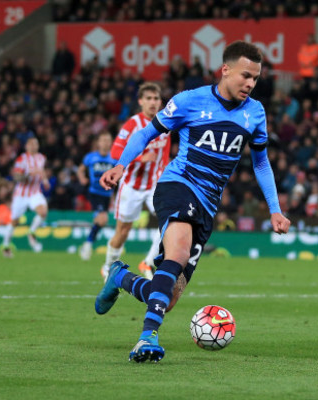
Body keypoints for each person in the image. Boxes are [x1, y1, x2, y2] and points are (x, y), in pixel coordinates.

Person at [97, 41, 291, 363]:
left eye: (255, 79)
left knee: (168, 297)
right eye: (245, 75)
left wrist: (275, 209)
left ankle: (120, 277)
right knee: (178, 252)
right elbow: (147, 133)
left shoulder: (255, 112)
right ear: (225, 70)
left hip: (208, 205)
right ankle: (147, 337)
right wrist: (120, 165)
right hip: (178, 185)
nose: (250, 84)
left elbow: (260, 163)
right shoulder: (190, 101)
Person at [100, 82, 171, 281]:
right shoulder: (132, 124)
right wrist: (140, 158)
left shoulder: (166, 122)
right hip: (131, 186)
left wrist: (164, 170)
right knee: (123, 231)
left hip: (154, 185)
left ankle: (147, 262)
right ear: (140, 102)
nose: (153, 102)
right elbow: (115, 152)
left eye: (156, 98)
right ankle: (107, 266)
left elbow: (165, 150)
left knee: (170, 222)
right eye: (148, 98)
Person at [1, 137, 50, 257]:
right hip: (21, 194)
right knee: (14, 221)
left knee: (43, 212)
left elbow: (41, 171)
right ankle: (6, 245)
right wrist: (27, 174)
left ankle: (31, 231)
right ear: (26, 146)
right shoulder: (22, 159)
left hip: (35, 192)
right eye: (31, 144)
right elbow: (17, 177)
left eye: (36, 144)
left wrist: (45, 180)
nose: (34, 146)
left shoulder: (42, 158)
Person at [77, 131, 117, 260]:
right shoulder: (90, 157)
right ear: (98, 143)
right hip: (94, 193)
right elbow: (80, 169)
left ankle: (87, 243)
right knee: (103, 219)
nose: (105, 143)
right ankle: (88, 245)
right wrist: (82, 178)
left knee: (100, 221)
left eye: (108, 140)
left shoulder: (115, 158)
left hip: (107, 194)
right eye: (103, 140)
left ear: (111, 142)